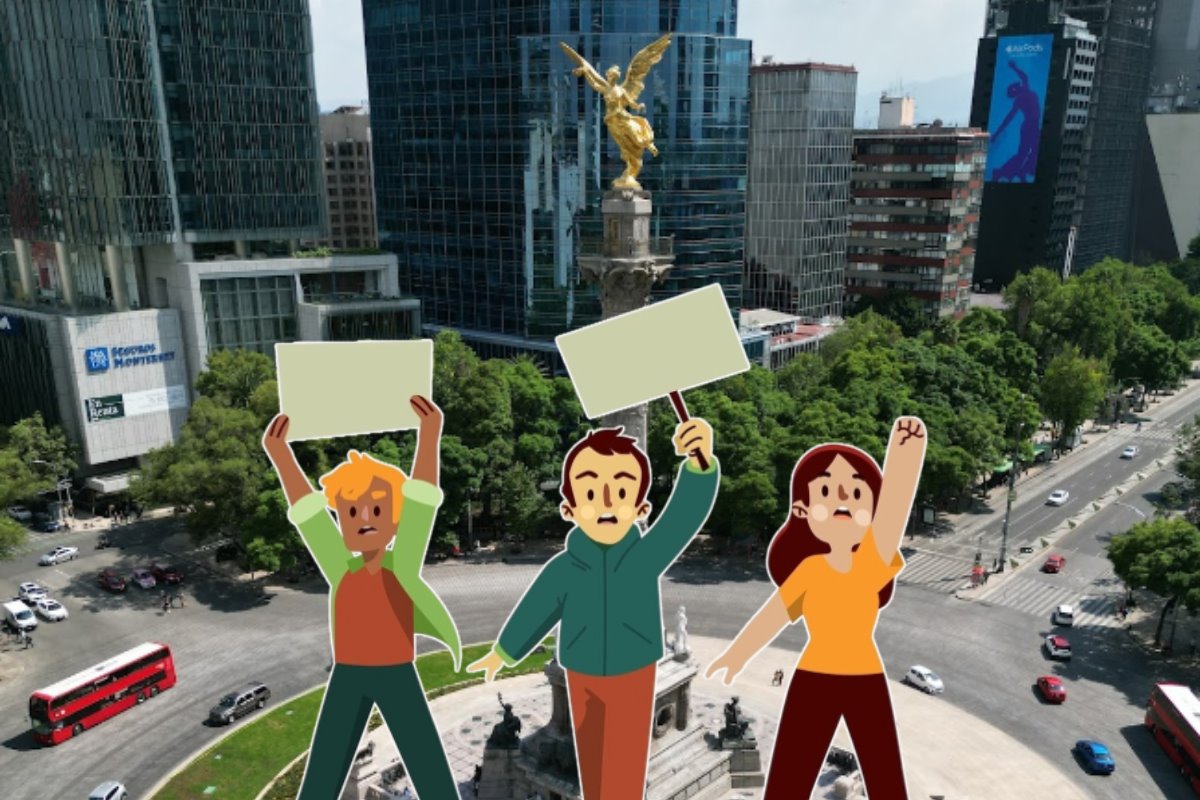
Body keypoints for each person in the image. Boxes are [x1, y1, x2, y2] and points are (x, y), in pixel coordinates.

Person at [468, 420, 720, 800]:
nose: (605, 501)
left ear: (640, 506)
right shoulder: (564, 567)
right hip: (583, 672)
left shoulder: (645, 556)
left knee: (626, 762)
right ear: (569, 509)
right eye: (590, 490)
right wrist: (503, 651)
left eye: (620, 489)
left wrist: (700, 465)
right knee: (592, 762)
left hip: (633, 669)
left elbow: (682, 519)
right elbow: (537, 608)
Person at [707, 417, 927, 799]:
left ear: (869, 514)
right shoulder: (809, 569)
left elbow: (893, 514)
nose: (842, 500)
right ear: (804, 511)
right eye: (828, 492)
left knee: (886, 777)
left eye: (856, 495)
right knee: (787, 780)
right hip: (814, 678)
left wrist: (905, 454)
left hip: (864, 678)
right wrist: (737, 655)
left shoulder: (871, 561)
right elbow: (772, 615)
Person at [263, 397, 461, 800]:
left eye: (376, 509)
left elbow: (423, 502)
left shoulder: (402, 563)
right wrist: (280, 455)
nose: (365, 519)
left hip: (397, 674)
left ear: (395, 515)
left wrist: (429, 435)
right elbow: (310, 517)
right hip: (349, 676)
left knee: (432, 774)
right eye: (351, 513)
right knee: (321, 777)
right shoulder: (341, 569)